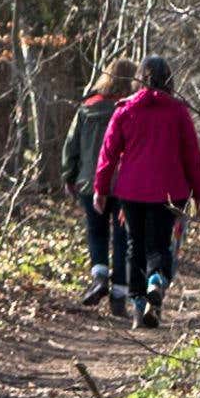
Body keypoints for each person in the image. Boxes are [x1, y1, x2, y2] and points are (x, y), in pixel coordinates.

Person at [92, 54, 200, 330]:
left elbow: (108, 154)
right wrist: (199, 193)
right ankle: (156, 284)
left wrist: (101, 188)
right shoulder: (179, 112)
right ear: (169, 79)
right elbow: (192, 155)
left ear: (139, 78)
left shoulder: (125, 110)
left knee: (135, 246)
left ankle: (137, 306)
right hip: (171, 191)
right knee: (160, 244)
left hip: (132, 191)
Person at [57, 60, 135, 305]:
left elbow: (72, 145)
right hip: (125, 185)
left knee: (96, 231)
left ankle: (99, 277)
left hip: (90, 181)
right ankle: (119, 294)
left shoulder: (87, 108)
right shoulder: (131, 109)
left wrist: (69, 175)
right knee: (123, 237)